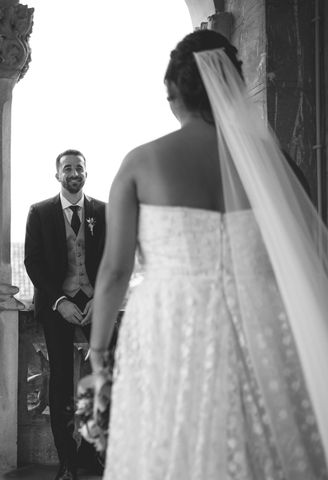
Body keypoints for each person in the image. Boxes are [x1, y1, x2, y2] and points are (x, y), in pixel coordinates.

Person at [84, 30, 328, 479]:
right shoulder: (279, 169)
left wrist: (98, 352)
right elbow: (303, 255)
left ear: (174, 92)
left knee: (169, 443)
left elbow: (115, 270)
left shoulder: (141, 162)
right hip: (263, 325)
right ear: (231, 89)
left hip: (170, 327)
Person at [25, 149, 106, 480]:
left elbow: (115, 257)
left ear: (86, 173)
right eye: (67, 168)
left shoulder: (102, 211)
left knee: (102, 378)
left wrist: (100, 297)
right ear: (57, 175)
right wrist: (60, 300)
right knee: (60, 382)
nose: (74, 173)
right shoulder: (40, 212)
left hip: (96, 303)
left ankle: (89, 452)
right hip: (58, 306)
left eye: (79, 168)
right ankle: (68, 461)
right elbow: (33, 261)